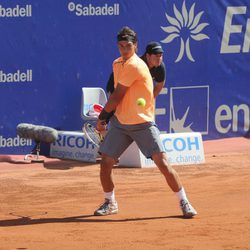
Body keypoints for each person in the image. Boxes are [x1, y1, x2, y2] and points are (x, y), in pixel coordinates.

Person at [94, 26, 197, 218]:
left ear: (136, 46)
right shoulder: (117, 64)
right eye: (121, 46)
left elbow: (117, 96)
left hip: (143, 123)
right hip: (121, 123)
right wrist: (111, 116)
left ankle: (184, 201)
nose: (124, 50)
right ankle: (110, 202)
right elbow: (116, 93)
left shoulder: (135, 65)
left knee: (163, 164)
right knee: (106, 163)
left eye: (128, 46)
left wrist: (102, 119)